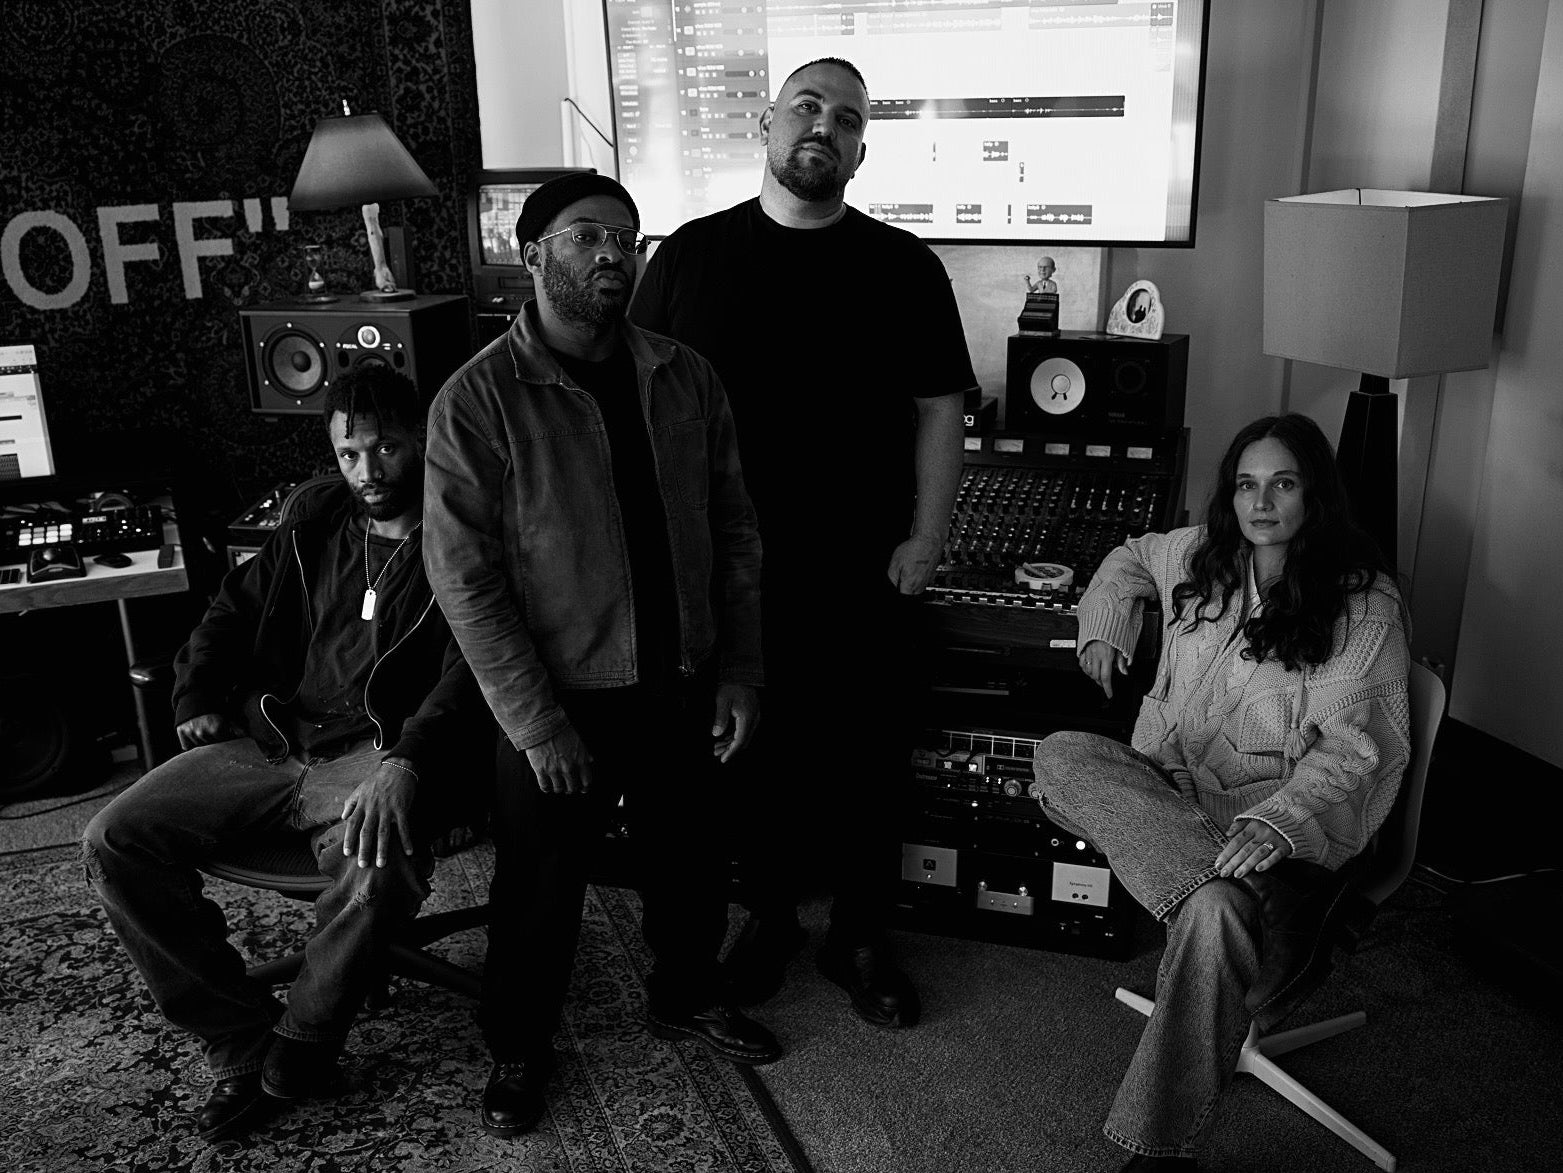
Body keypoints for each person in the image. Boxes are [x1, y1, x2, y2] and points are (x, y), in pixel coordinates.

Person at [421, 172, 774, 1140]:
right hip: (558, 698)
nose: (614, 252)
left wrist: (741, 668)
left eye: (627, 237)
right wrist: (537, 726)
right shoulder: (478, 399)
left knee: (691, 863)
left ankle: (686, 992)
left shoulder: (685, 376)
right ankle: (518, 1044)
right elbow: (465, 581)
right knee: (538, 891)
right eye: (586, 236)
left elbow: (736, 531)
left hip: (681, 679)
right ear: (532, 254)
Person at [630, 56, 976, 1029]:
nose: (825, 126)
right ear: (767, 126)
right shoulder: (688, 257)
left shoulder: (904, 266)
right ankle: (771, 916)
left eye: (848, 119)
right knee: (750, 758)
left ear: (861, 152)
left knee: (868, 757)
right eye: (807, 107)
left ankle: (860, 933)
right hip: (728, 574)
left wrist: (928, 534)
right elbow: (637, 402)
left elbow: (939, 410)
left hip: (865, 564)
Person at [83, 365, 485, 1143]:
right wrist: (196, 693)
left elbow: (468, 673)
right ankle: (239, 1036)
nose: (368, 471)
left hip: (377, 753)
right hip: (276, 740)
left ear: (422, 439)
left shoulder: (461, 534)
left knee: (375, 859)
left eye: (386, 448)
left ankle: (303, 1041)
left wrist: (407, 761)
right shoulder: (313, 523)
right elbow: (229, 610)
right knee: (113, 840)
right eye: (349, 454)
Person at [1028, 413, 1412, 1173]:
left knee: (1211, 911)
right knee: (1059, 754)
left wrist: (1277, 820)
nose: (1260, 503)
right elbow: (1129, 556)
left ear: (1315, 494)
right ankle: (1220, 899)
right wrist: (1106, 621)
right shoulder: (1201, 555)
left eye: (1282, 483)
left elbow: (1352, 749)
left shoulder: (1363, 605)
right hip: (1173, 806)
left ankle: (1158, 1151)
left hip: (1275, 839)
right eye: (1245, 484)